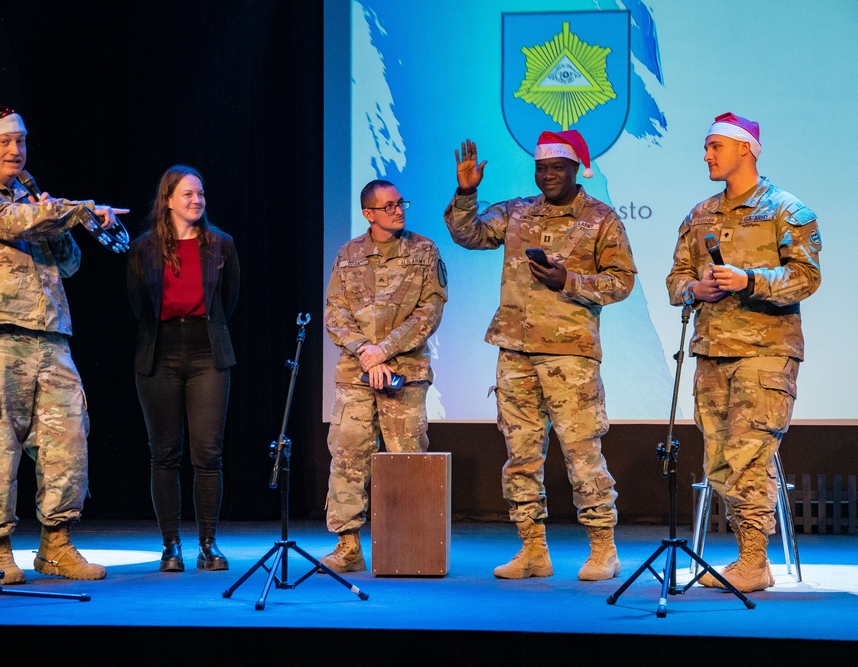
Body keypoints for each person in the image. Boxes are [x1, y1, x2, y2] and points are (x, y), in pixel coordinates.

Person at [0, 103, 126, 582]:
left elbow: (69, 264)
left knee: (68, 444)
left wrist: (60, 216)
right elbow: (10, 223)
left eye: (20, 141)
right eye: (5, 141)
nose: (16, 150)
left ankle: (56, 545)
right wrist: (74, 210)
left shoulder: (32, 199)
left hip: (51, 339)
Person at [444, 130, 635, 581]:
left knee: (582, 453)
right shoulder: (517, 211)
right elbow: (468, 234)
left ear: (576, 169)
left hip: (570, 356)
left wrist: (568, 281)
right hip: (515, 351)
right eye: (541, 168)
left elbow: (621, 281)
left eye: (556, 168)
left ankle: (603, 549)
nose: (547, 176)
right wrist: (467, 192)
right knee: (521, 455)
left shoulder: (601, 218)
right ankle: (532, 549)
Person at [666, 112, 821, 592]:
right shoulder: (699, 215)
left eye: (715, 146)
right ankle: (745, 556)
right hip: (712, 352)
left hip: (765, 351)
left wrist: (750, 280)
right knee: (717, 456)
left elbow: (806, 276)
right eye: (707, 147)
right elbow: (675, 280)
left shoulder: (785, 210)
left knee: (747, 454)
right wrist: (696, 287)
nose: (707, 154)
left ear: (746, 148)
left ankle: (754, 559)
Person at [322, 179, 447, 573]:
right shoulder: (349, 254)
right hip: (356, 373)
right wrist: (366, 353)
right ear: (368, 214)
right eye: (389, 206)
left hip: (404, 373)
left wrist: (384, 350)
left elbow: (429, 310)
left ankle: (409, 548)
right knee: (348, 455)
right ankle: (348, 547)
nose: (398, 210)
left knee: (407, 460)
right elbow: (335, 311)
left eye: (400, 203)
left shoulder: (424, 250)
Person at [127, 165, 239, 573]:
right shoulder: (143, 248)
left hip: (208, 351)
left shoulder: (221, 245)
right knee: (164, 454)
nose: (197, 201)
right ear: (168, 200)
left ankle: (208, 544)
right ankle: (170, 545)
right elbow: (138, 304)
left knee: (208, 453)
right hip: (159, 352)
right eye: (188, 194)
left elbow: (228, 301)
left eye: (201, 194)